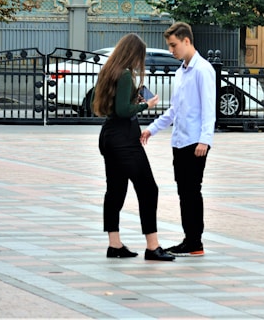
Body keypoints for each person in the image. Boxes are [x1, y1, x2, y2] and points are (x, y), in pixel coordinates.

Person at [92, 33, 175, 261]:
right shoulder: (126, 74)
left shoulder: (108, 72)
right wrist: (145, 105)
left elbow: (100, 105)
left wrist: (131, 102)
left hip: (109, 136)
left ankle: (114, 244)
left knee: (115, 191)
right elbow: (123, 111)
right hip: (124, 139)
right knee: (148, 189)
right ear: (133, 54)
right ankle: (152, 246)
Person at [140, 22, 216, 257]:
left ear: (186, 41)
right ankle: (190, 239)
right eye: (169, 46)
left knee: (192, 191)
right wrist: (152, 129)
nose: (171, 50)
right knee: (184, 192)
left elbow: (209, 109)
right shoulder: (181, 71)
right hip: (180, 141)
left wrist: (205, 140)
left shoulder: (203, 70)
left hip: (195, 143)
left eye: (173, 45)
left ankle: (195, 242)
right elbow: (174, 110)